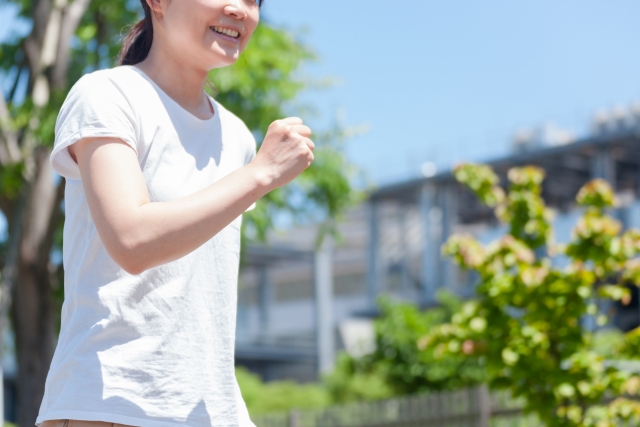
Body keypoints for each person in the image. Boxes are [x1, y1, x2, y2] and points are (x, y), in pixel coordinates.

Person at [36, 0, 314, 425]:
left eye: (254, 0)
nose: (240, 10)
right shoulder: (106, 94)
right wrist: (261, 174)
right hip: (109, 404)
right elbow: (132, 241)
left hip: (209, 411)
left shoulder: (236, 136)